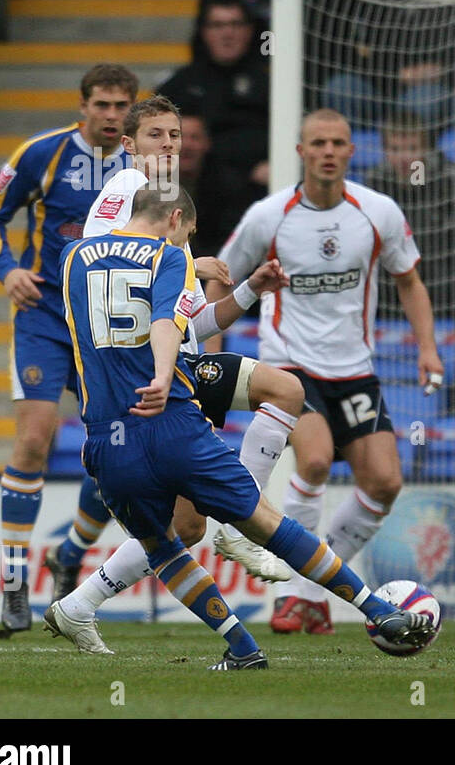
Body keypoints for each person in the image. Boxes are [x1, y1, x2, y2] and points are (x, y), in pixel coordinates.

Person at [58, 185, 434, 668]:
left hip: (108, 438)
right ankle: (379, 611)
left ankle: (242, 647)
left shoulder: (72, 257)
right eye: (188, 233)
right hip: (171, 415)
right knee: (265, 522)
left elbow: (99, 329)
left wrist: (246, 288)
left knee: (164, 545)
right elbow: (168, 325)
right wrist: (160, 373)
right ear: (175, 219)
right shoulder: (171, 259)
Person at [43, 96, 304, 636]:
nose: (168, 144)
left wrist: (250, 288)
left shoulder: (168, 206)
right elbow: (101, 264)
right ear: (130, 145)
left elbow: (190, 321)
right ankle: (82, 601)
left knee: (283, 392)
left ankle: (81, 603)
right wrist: (188, 259)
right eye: (156, 135)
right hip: (144, 374)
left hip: (178, 363)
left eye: (175, 135)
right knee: (183, 528)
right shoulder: (122, 193)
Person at [210, 109, 446, 635]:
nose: (329, 151)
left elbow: (409, 279)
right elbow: (220, 280)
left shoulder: (377, 211)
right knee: (314, 461)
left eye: (338, 142)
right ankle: (291, 598)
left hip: (355, 370)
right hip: (291, 366)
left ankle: (314, 589)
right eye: (318, 142)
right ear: (301, 152)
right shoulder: (268, 217)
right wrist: (210, 353)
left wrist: (427, 348)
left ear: (351, 152)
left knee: (385, 482)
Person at [0, 63, 137, 638]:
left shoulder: (146, 166)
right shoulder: (41, 153)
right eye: (102, 104)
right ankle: (14, 583)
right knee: (35, 439)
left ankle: (69, 554)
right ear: (83, 105)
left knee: (113, 448)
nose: (111, 115)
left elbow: (167, 232)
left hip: (106, 322)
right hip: (43, 316)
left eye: (121, 106)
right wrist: (7, 270)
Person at [158, 0, 270, 254]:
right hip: (191, 187)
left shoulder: (271, 83)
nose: (227, 33)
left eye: (235, 24)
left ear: (250, 30)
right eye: (218, 25)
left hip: (254, 191)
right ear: (204, 32)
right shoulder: (179, 84)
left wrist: (279, 163)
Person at [362, 111, 455, 326]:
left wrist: (416, 185)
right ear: (384, 150)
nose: (404, 158)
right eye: (395, 149)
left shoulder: (449, 177)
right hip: (389, 282)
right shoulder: (375, 180)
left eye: (412, 149)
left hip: (442, 280)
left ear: (426, 149)